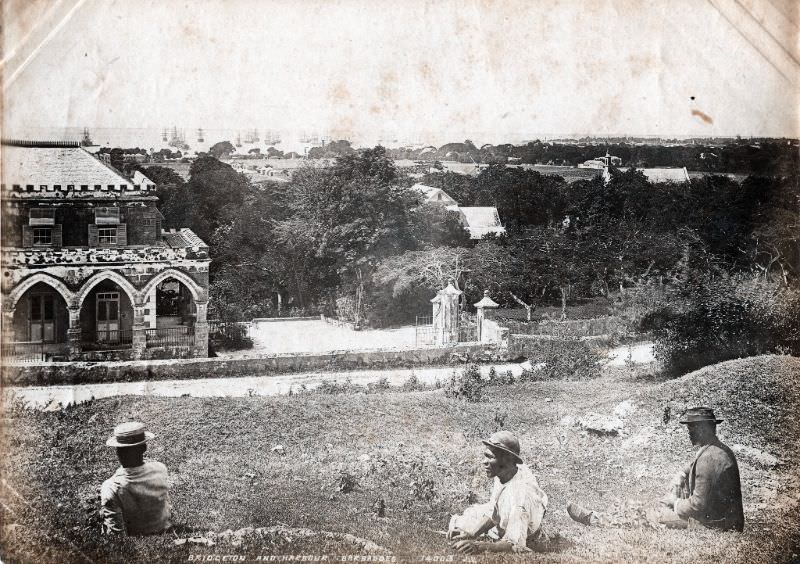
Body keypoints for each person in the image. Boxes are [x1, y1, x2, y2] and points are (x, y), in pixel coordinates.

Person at [567, 406, 744, 532]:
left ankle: (594, 520)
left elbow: (698, 506)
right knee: (650, 510)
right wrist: (682, 475)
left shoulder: (710, 458)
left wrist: (674, 503)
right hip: (722, 520)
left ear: (704, 429)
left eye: (692, 428)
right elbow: (694, 468)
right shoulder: (716, 449)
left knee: (644, 516)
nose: (689, 432)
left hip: (716, 525)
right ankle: (597, 517)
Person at [447, 431, 548, 554]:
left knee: (501, 535)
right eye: (485, 456)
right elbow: (493, 510)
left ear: (507, 460)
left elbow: (513, 544)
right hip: (505, 515)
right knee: (466, 517)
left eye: (490, 457)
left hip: (519, 523)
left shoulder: (520, 496)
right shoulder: (504, 471)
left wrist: (479, 546)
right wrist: (472, 533)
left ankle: (536, 536)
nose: (484, 462)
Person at [101, 421, 173, 535]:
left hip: (137, 536)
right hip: (164, 529)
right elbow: (167, 507)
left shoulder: (111, 486)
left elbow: (116, 534)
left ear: (118, 451)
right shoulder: (160, 469)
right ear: (144, 447)